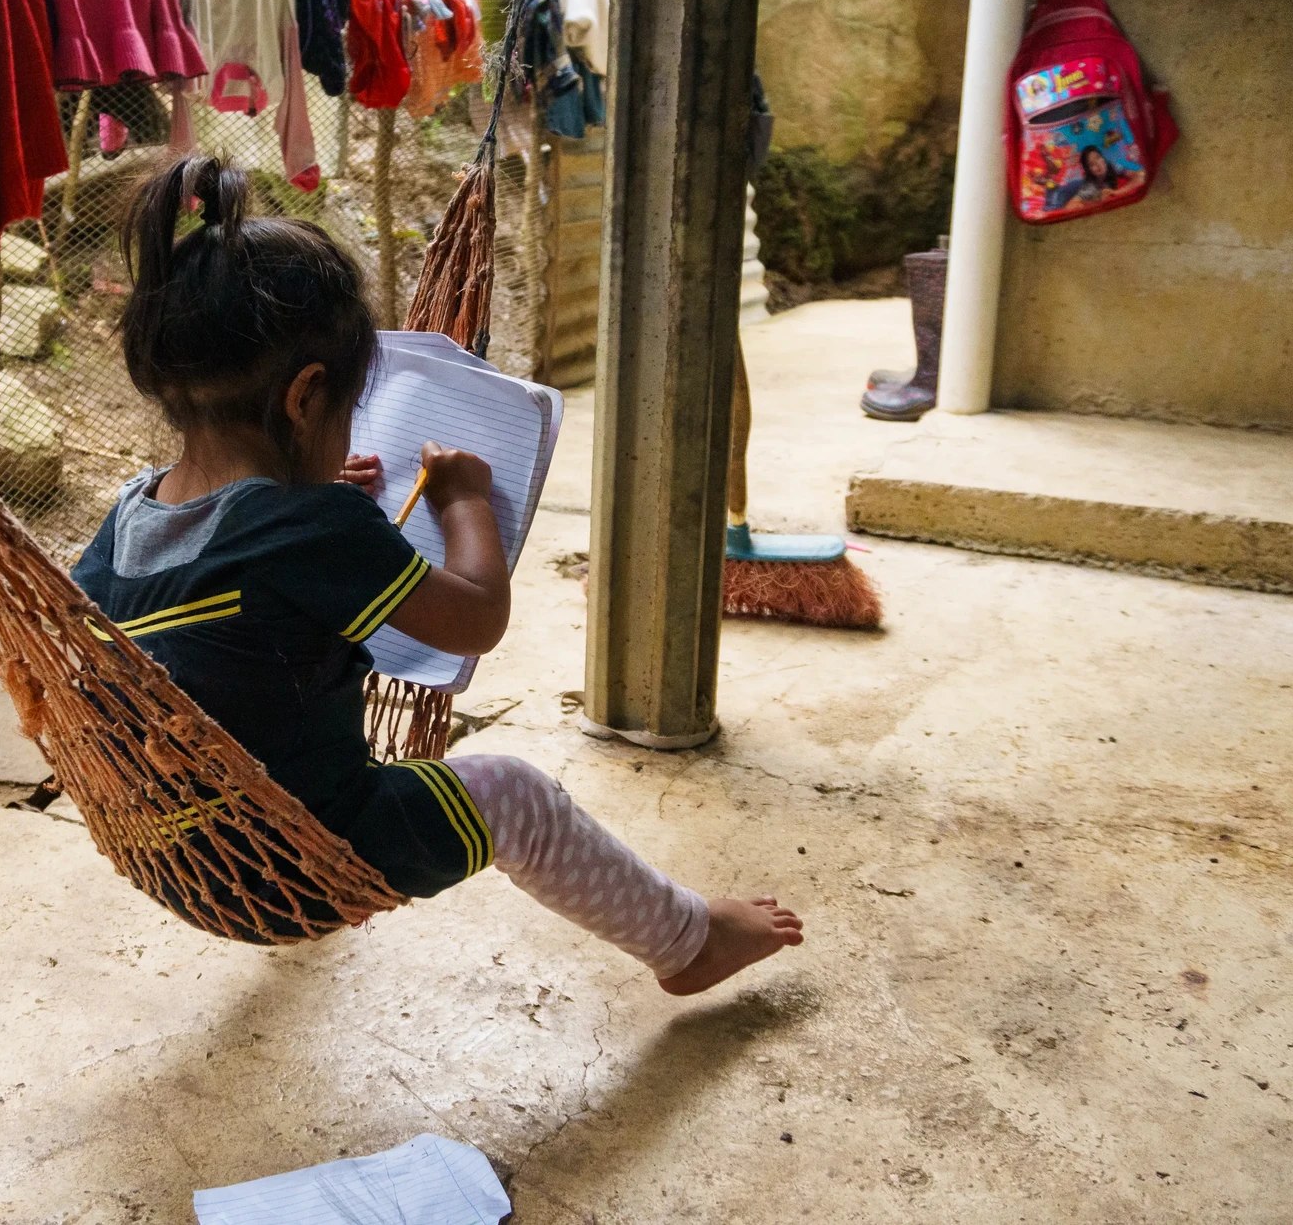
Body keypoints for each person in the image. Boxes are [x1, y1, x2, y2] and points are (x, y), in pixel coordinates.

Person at [72, 156, 803, 995]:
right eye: (346, 412)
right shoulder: (314, 533)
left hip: (176, 853)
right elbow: (478, 616)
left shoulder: (124, 523)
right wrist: (463, 502)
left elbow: (229, 612)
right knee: (517, 795)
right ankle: (688, 940)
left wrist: (304, 498)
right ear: (307, 399)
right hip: (294, 867)